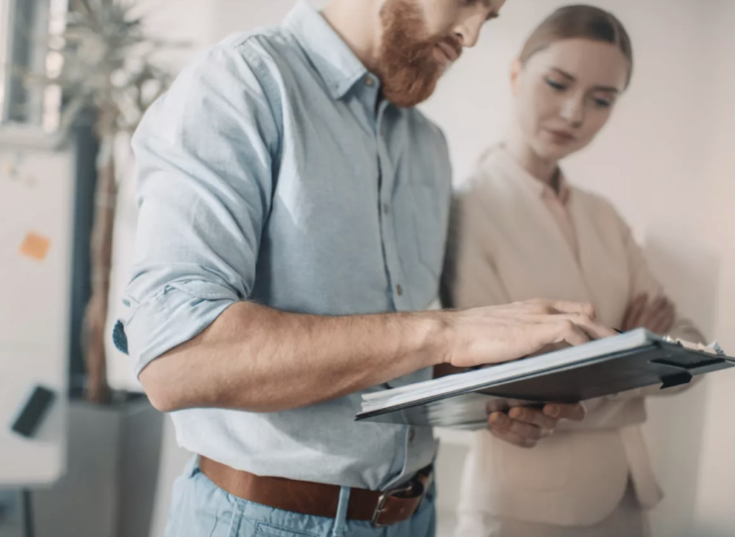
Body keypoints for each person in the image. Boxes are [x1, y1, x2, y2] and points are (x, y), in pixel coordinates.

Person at [119, 0, 616, 535]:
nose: (471, 36)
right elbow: (176, 360)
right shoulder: (239, 84)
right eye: (468, 2)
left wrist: (496, 386)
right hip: (264, 519)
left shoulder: (427, 145)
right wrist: (447, 331)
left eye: (489, 16)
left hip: (412, 515)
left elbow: (387, 355)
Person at [443, 6, 706, 537]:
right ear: (516, 74)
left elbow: (692, 351)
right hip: (524, 508)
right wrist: (639, 348)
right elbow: (512, 381)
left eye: (601, 100)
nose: (573, 113)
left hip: (631, 498)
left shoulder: (603, 215)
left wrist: (598, 360)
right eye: (558, 83)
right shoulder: (466, 210)